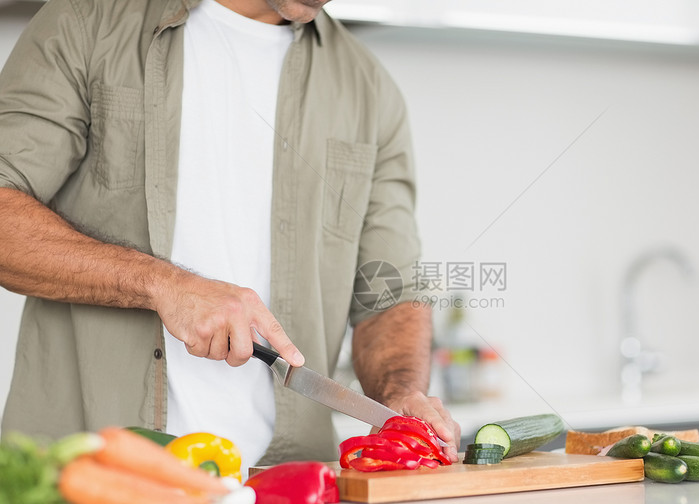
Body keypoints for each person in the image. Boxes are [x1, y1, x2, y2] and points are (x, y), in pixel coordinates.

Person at [0, 0, 460, 474]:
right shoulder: (87, 21)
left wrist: (399, 392)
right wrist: (162, 284)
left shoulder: (368, 89)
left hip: (288, 492)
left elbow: (389, 292)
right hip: (94, 478)